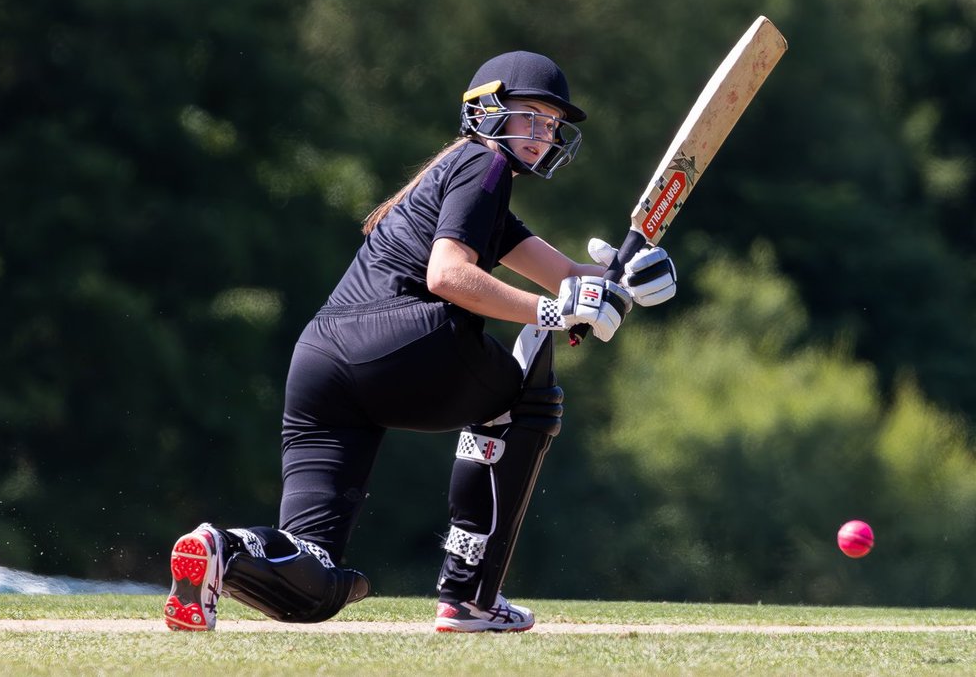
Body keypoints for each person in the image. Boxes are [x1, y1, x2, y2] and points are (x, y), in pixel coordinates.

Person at [164, 51, 677, 633]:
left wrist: (623, 278)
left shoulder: (472, 185)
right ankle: (468, 597)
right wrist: (553, 311)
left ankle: (219, 549)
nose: (544, 134)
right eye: (531, 115)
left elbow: (571, 280)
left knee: (317, 582)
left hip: (321, 362)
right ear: (487, 110)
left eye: (552, 124)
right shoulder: (481, 167)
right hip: (402, 338)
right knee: (525, 400)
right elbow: (447, 277)